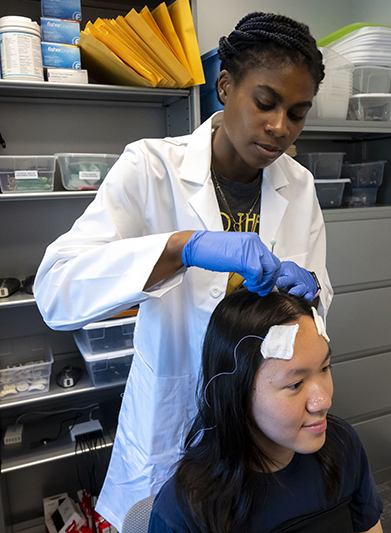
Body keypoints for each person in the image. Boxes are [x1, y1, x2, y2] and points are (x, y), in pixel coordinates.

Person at [34, 12, 333, 531]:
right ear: (225, 86)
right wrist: (182, 248)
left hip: (263, 427)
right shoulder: (150, 168)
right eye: (266, 102)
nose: (280, 126)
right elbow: (56, 291)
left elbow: (317, 302)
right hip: (174, 423)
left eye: (298, 113)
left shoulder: (299, 184)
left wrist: (312, 298)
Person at [148, 290, 383, 533]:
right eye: (295, 384)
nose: (323, 401)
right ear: (236, 394)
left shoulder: (342, 445)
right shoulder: (185, 511)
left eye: (325, 368)